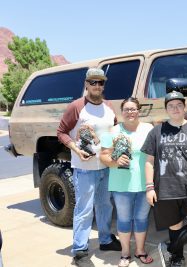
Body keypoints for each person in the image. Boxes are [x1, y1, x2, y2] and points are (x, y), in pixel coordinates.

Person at [57, 68, 121, 266]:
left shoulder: (109, 107)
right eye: (93, 82)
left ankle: (105, 239)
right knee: (84, 209)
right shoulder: (77, 106)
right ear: (86, 84)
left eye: (100, 82)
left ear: (104, 85)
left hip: (105, 166)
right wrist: (76, 150)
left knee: (104, 205)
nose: (97, 86)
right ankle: (79, 250)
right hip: (84, 168)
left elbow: (115, 130)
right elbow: (61, 132)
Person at [141, 91, 187, 267]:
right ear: (166, 109)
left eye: (179, 105)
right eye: (171, 105)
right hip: (166, 187)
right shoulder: (156, 132)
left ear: (184, 107)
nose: (175, 108)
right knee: (174, 225)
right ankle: (177, 258)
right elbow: (149, 162)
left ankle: (170, 247)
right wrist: (149, 187)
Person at [100, 98, 154, 267]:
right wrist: (115, 162)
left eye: (133, 109)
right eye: (127, 109)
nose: (130, 112)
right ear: (121, 112)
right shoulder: (113, 131)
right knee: (124, 220)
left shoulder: (149, 129)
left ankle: (140, 250)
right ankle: (125, 254)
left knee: (141, 219)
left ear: (139, 111)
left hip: (145, 183)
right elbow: (103, 156)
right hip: (121, 183)